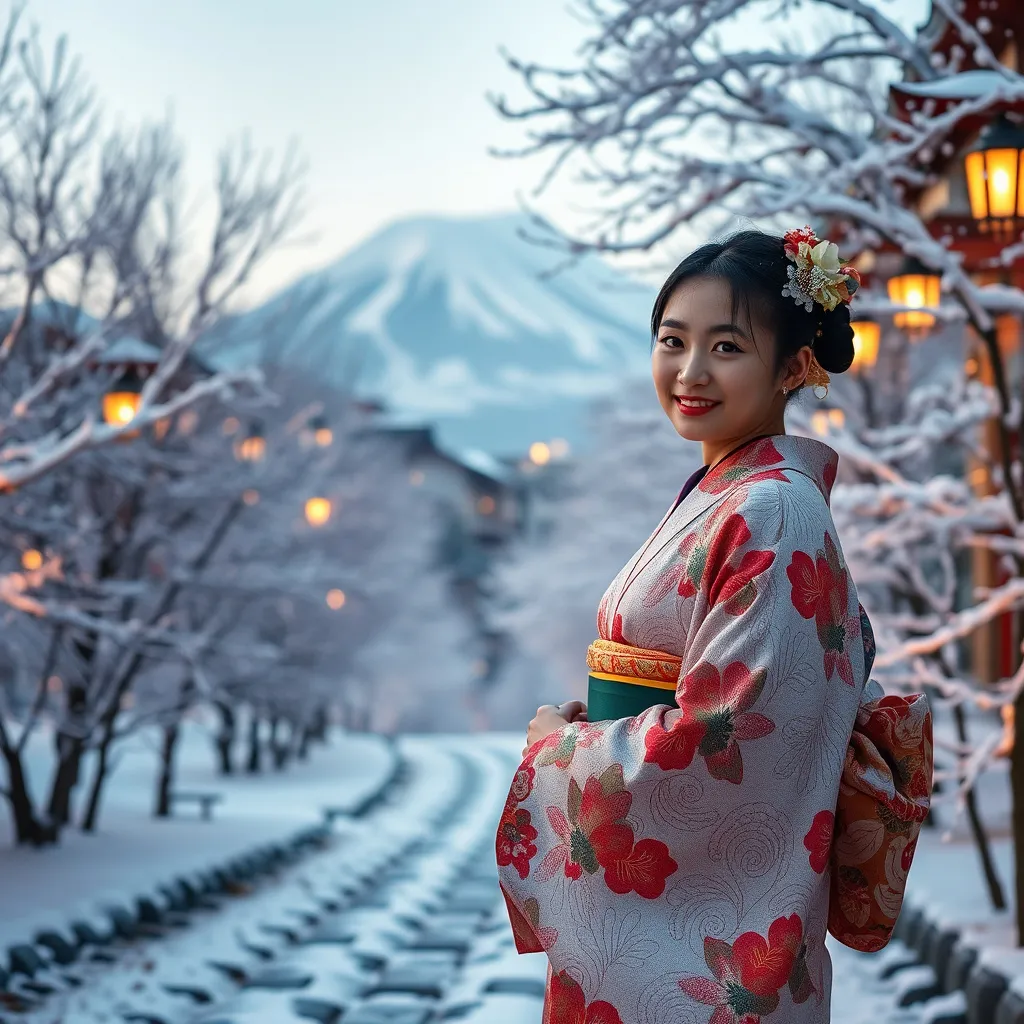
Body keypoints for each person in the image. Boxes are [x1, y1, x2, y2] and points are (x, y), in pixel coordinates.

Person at [495, 229, 932, 1024]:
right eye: (672, 341)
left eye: (726, 346)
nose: (690, 373)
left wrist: (558, 752)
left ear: (797, 365)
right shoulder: (733, 495)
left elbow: (728, 740)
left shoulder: (773, 510)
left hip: (723, 942)